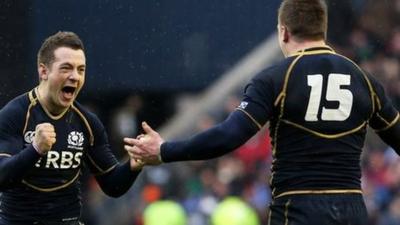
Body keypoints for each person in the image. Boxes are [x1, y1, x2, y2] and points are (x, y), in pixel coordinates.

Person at [125, 0, 400, 224]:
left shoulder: (275, 79)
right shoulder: (365, 81)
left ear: (283, 31)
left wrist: (164, 150)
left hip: (298, 208)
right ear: (322, 29)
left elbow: (228, 136)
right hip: (352, 210)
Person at [0, 31, 143, 225]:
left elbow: (113, 185)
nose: (75, 76)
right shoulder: (14, 115)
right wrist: (35, 150)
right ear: (43, 71)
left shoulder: (87, 123)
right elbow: (2, 177)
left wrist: (134, 164)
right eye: (66, 68)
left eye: (81, 69)